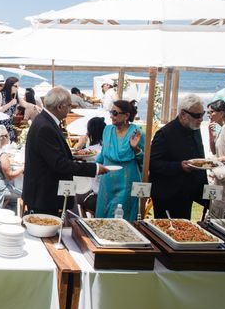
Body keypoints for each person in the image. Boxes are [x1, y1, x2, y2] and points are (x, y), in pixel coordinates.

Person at [23, 87, 106, 216]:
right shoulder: (45, 126)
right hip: (45, 196)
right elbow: (59, 164)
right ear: (60, 107)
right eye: (69, 106)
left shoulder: (44, 121)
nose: (70, 109)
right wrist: (94, 168)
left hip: (44, 194)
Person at [149, 94, 209, 219]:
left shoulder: (194, 128)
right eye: (197, 116)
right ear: (183, 114)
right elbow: (153, 163)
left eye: (202, 114)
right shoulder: (165, 133)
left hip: (187, 192)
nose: (201, 119)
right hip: (167, 194)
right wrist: (179, 166)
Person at [95, 100, 145, 221]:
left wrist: (135, 148)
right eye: (111, 112)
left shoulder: (137, 133)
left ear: (126, 115)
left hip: (126, 182)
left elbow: (146, 160)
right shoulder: (107, 130)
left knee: (122, 217)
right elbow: (103, 154)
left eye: (115, 113)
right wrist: (91, 166)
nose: (111, 116)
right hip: (107, 181)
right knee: (104, 215)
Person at [75, 117, 106, 214]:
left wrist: (79, 145)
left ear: (89, 132)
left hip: (94, 198)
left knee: (70, 193)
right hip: (109, 196)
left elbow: (72, 166)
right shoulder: (110, 150)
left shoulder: (87, 152)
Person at [0, 76, 20, 141]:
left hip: (8, 127)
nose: (17, 88)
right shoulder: (0, 94)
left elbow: (25, 104)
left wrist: (35, 106)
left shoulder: (15, 96)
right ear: (9, 85)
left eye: (18, 87)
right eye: (15, 86)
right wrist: (10, 104)